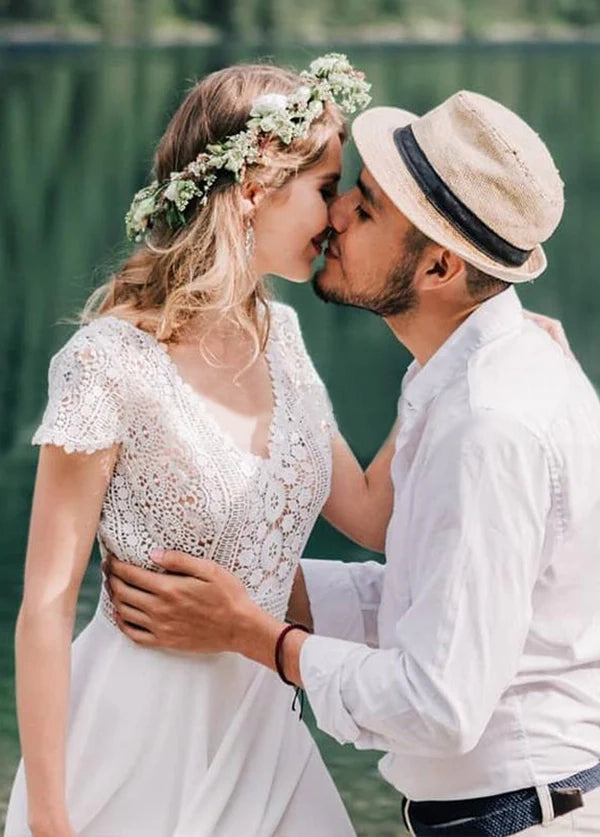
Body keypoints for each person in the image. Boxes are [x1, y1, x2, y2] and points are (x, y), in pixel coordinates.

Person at [106, 91, 600, 836]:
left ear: (438, 267)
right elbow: (424, 601)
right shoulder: (472, 376)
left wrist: (254, 635)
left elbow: (438, 705)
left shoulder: (489, 424)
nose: (334, 216)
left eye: (364, 209)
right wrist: (254, 581)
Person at [4, 55, 393, 837]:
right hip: (132, 753)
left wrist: (458, 350)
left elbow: (372, 515)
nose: (337, 215)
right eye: (325, 188)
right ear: (255, 185)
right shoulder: (107, 361)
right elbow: (45, 603)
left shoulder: (283, 339)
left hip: (266, 734)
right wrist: (49, 817)